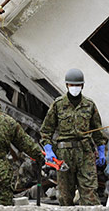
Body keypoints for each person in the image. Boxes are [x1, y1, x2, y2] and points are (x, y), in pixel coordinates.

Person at [40, 68, 107, 206]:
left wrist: (101, 151)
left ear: (82, 86)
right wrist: (48, 149)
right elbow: (46, 131)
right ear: (66, 85)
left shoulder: (89, 105)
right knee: (65, 196)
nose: (74, 88)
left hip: (85, 154)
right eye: (71, 85)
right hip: (64, 155)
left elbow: (98, 133)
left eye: (77, 85)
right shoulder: (58, 105)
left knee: (90, 193)